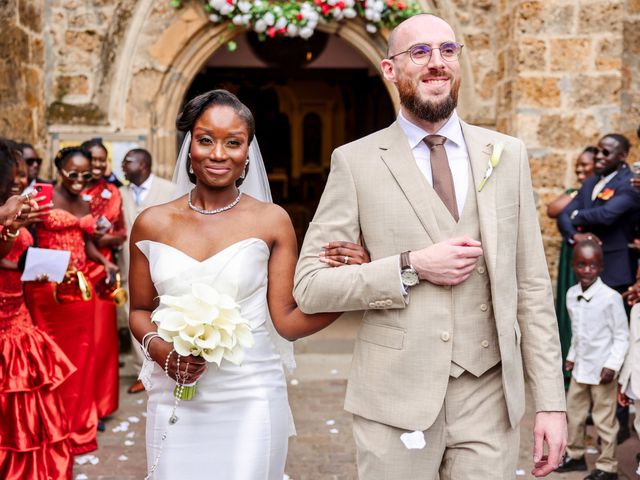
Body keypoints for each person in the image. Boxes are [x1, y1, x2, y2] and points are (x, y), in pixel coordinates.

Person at [293, 13, 566, 479]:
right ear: (390, 69)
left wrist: (552, 405)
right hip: (393, 397)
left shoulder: (507, 154)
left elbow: (533, 290)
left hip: (488, 396)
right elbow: (311, 287)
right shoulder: (355, 162)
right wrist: (410, 264)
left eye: (447, 50)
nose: (436, 62)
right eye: (419, 52)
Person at [128, 89, 369, 479]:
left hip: (251, 392)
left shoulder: (272, 221)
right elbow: (139, 310)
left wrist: (356, 286)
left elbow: (287, 320)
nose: (218, 153)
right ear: (189, 148)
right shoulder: (151, 223)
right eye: (205, 140)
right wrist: (162, 351)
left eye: (233, 143)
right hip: (176, 393)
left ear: (247, 154)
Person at [23, 146, 118, 455]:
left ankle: (78, 424)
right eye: (72, 173)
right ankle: (50, 425)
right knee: (52, 359)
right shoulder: (41, 195)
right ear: (59, 169)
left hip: (79, 289)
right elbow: (20, 235)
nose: (79, 180)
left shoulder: (86, 200)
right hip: (47, 288)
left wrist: (105, 264)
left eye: (86, 174)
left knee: (82, 357)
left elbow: (86, 243)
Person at [0, 137, 76, 479]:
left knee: (33, 406)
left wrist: (42, 265)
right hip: (5, 322)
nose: (21, 179)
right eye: (15, 173)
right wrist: (8, 223)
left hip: (19, 312)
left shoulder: (14, 207)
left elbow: (7, 259)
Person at [556, 238, 628, 480]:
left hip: (602, 372)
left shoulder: (610, 298)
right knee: (574, 413)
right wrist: (572, 357)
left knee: (604, 419)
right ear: (573, 266)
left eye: (592, 265)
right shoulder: (571, 294)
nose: (587, 270)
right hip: (581, 369)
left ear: (601, 267)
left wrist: (612, 366)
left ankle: (608, 466)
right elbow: (578, 332)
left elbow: (621, 336)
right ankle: (575, 455)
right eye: (581, 265)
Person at [118, 148, 176, 394]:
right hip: (129, 262)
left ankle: (170, 359)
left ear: (143, 165)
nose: (122, 166)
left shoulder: (169, 189)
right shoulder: (119, 193)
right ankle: (144, 370)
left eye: (127, 162)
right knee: (135, 310)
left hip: (164, 260)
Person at [82, 139, 127, 420]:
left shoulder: (112, 191)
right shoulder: (73, 190)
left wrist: (103, 237)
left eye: (102, 159)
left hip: (103, 271)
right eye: (93, 159)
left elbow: (121, 232)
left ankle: (100, 405)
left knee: (101, 339)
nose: (98, 164)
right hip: (75, 270)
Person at [547, 146, 597, 387]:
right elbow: (554, 210)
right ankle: (566, 371)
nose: (579, 169)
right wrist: (576, 194)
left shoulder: (600, 192)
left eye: (585, 165)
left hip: (592, 258)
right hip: (571, 256)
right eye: (577, 165)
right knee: (567, 312)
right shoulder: (575, 191)